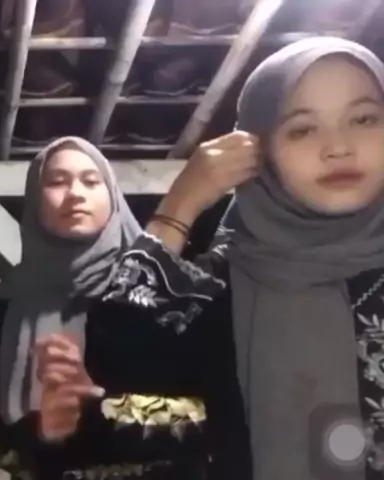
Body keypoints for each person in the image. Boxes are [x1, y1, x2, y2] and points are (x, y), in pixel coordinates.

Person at [90, 37, 384, 479]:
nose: (338, 146)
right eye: (303, 129)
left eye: (363, 119)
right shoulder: (226, 284)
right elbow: (116, 353)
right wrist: (181, 203)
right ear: (258, 153)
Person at [0, 137, 221, 479]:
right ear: (34, 201)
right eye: (57, 182)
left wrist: (102, 407)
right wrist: (43, 430)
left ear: (113, 197)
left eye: (92, 181)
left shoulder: (165, 285)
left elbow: (217, 415)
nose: (75, 193)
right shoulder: (3, 304)